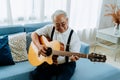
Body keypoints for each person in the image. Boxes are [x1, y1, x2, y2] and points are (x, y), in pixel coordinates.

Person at [30, 10, 81, 80]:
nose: (61, 27)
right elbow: (34, 34)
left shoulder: (74, 37)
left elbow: (74, 55)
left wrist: (72, 58)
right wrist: (39, 46)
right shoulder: (50, 28)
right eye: (57, 25)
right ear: (53, 23)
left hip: (66, 64)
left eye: (63, 24)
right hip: (50, 62)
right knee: (36, 75)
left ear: (67, 20)